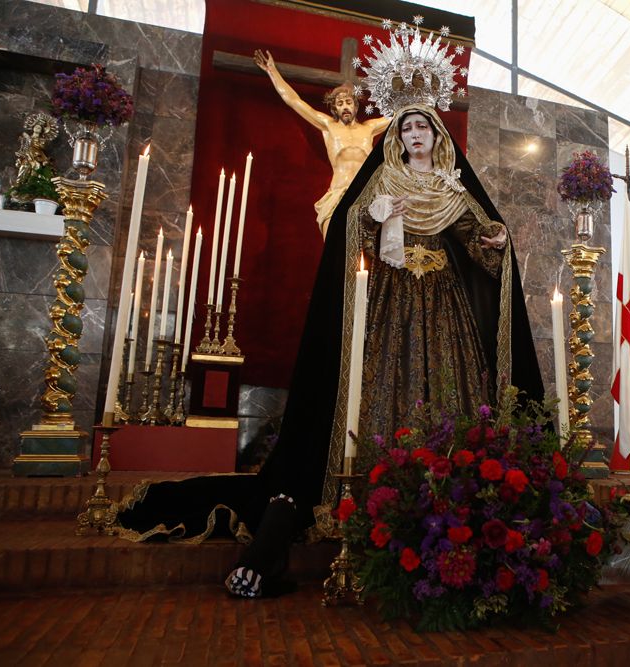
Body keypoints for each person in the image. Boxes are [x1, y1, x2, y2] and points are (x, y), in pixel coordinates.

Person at [116, 102, 544, 599]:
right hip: (390, 301)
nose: (414, 134)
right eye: (406, 127)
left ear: (437, 134)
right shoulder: (383, 178)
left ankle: (450, 484)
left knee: (451, 388)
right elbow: (351, 227)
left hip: (445, 307)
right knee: (380, 384)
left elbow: (474, 240)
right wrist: (379, 215)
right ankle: (372, 485)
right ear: (397, 137)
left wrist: (492, 242)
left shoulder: (454, 186)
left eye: (422, 125)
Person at [254, 50, 390, 239]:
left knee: (364, 254)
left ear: (356, 106)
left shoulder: (369, 128)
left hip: (365, 196)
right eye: (340, 103)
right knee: (332, 250)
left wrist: (422, 94)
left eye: (348, 102)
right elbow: (294, 101)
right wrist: (272, 71)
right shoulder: (328, 126)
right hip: (336, 195)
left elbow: (399, 114)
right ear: (334, 108)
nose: (344, 106)